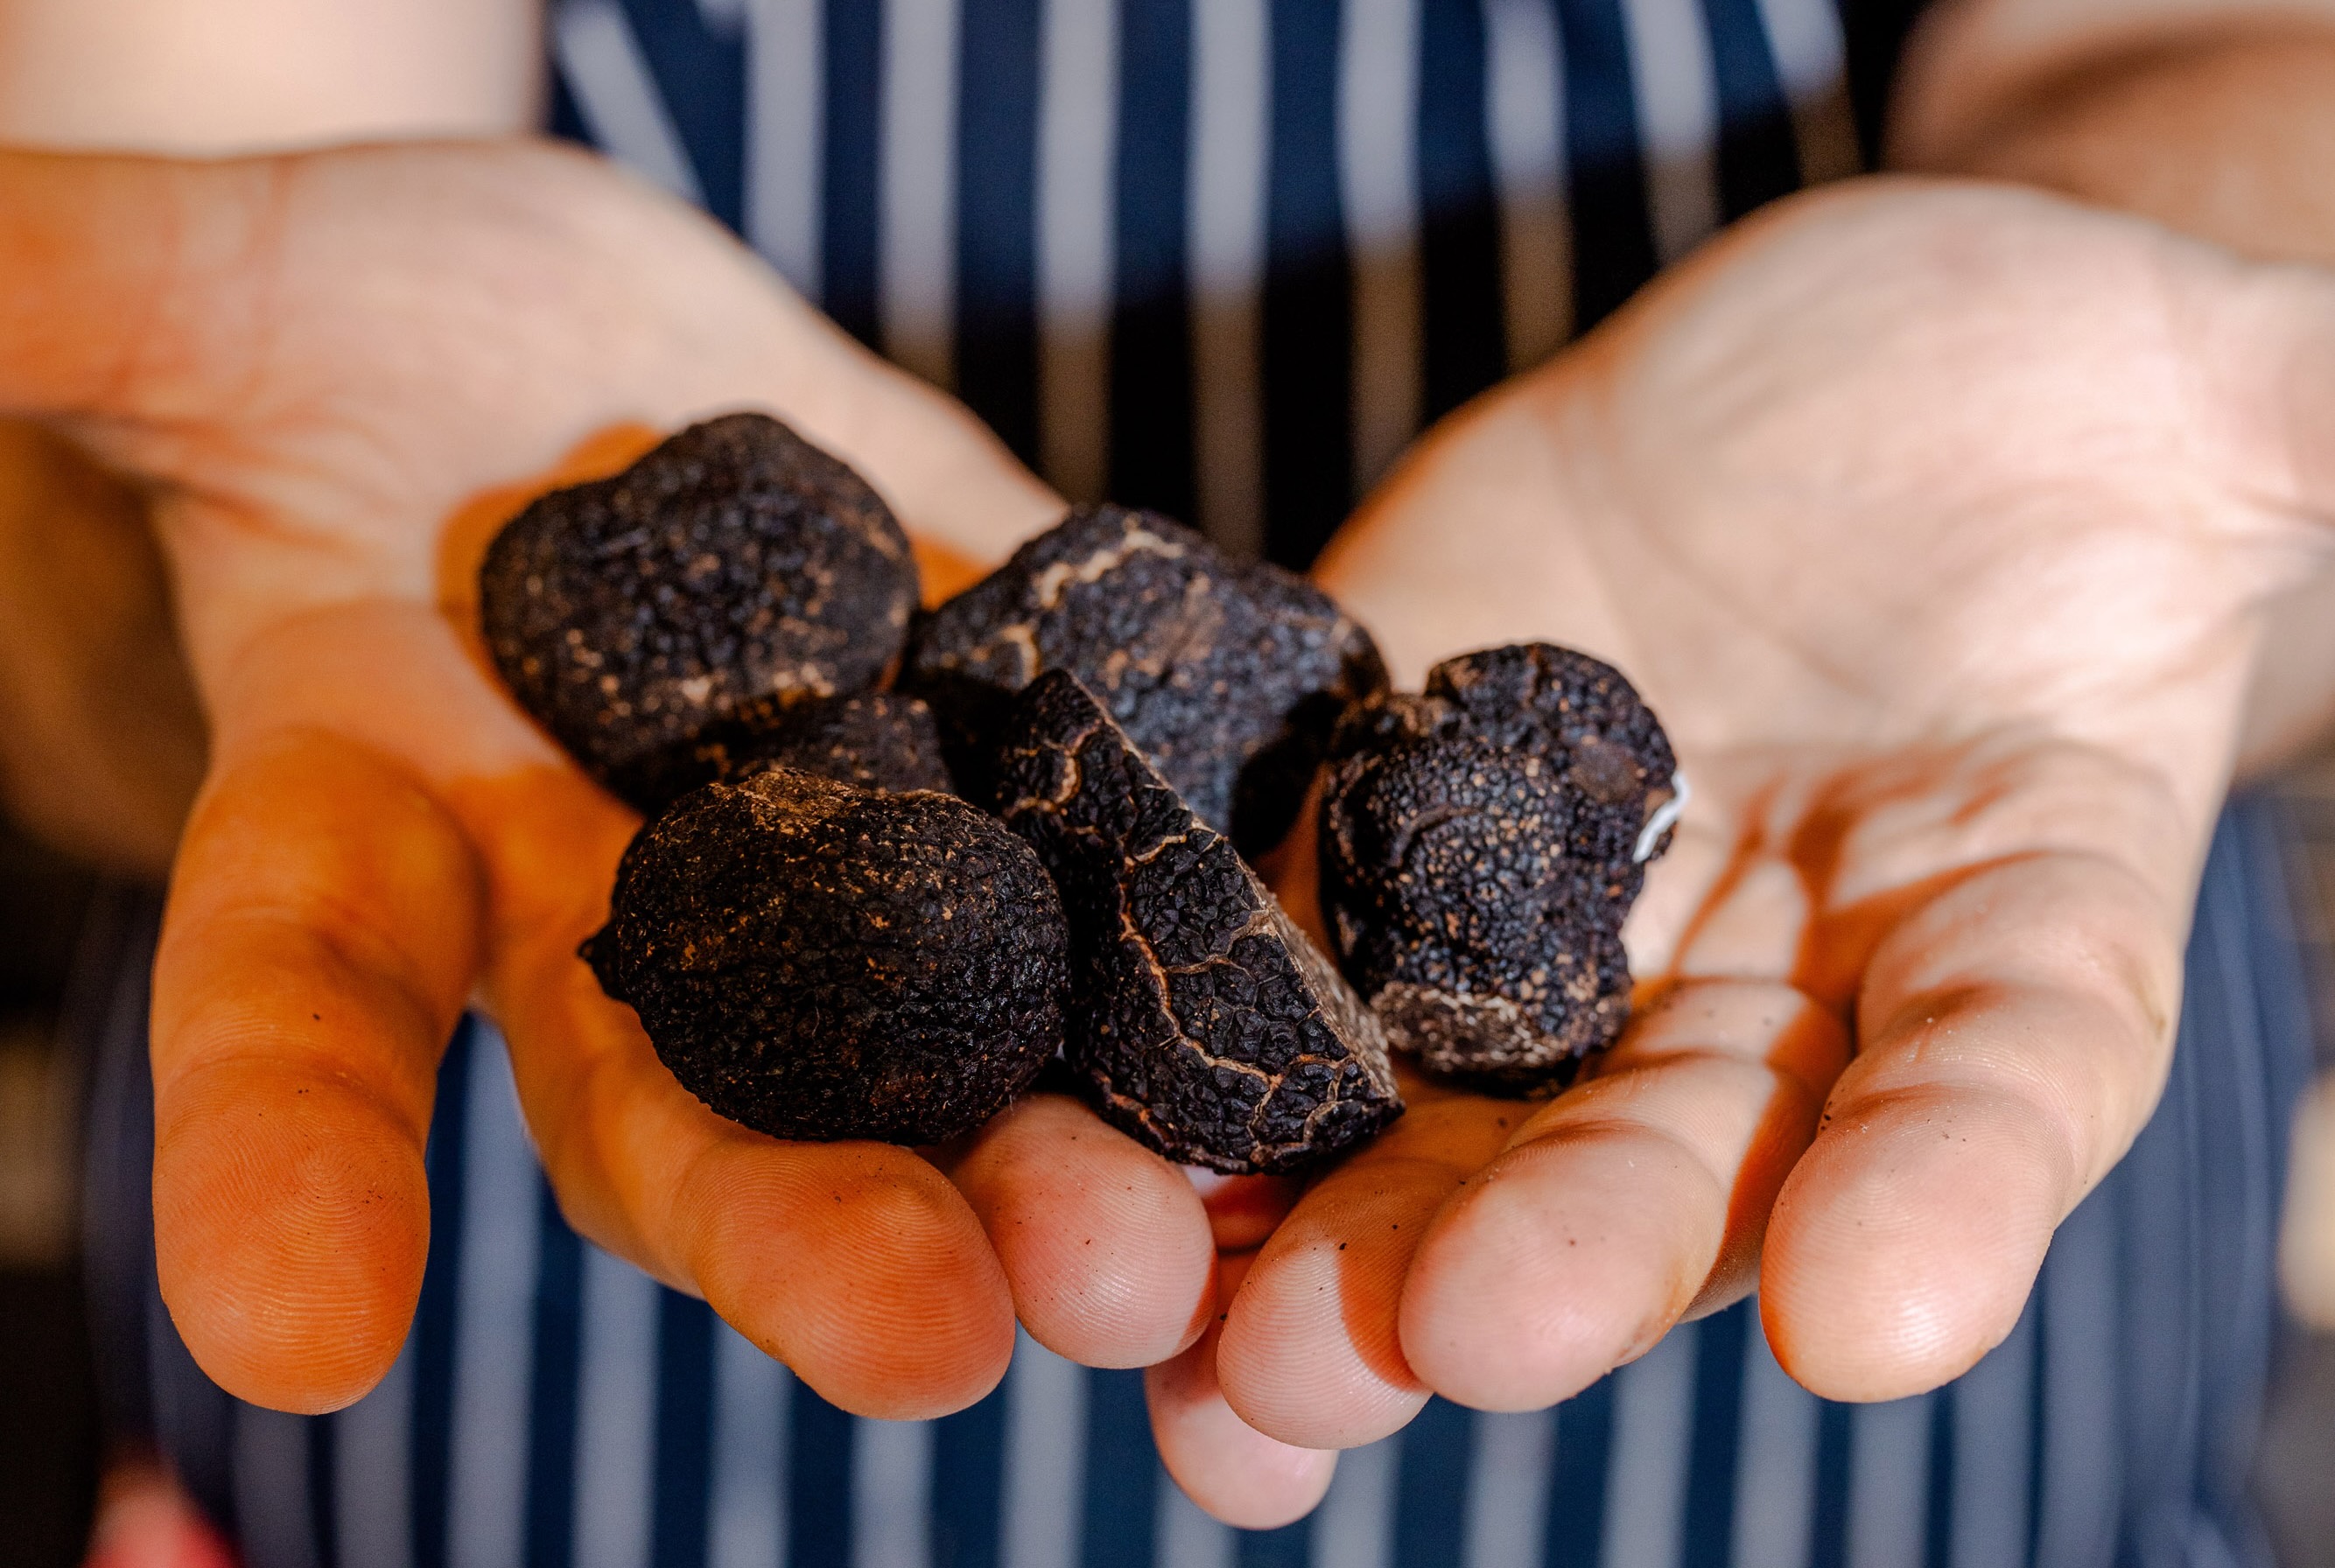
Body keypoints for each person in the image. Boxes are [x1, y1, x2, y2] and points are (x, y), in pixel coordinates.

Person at [0, 0, 2331, 1563]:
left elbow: (2199, 45)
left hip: (1845, 999)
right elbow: (142, 386)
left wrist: (2148, 362)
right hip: (524, 1266)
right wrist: (172, 527)